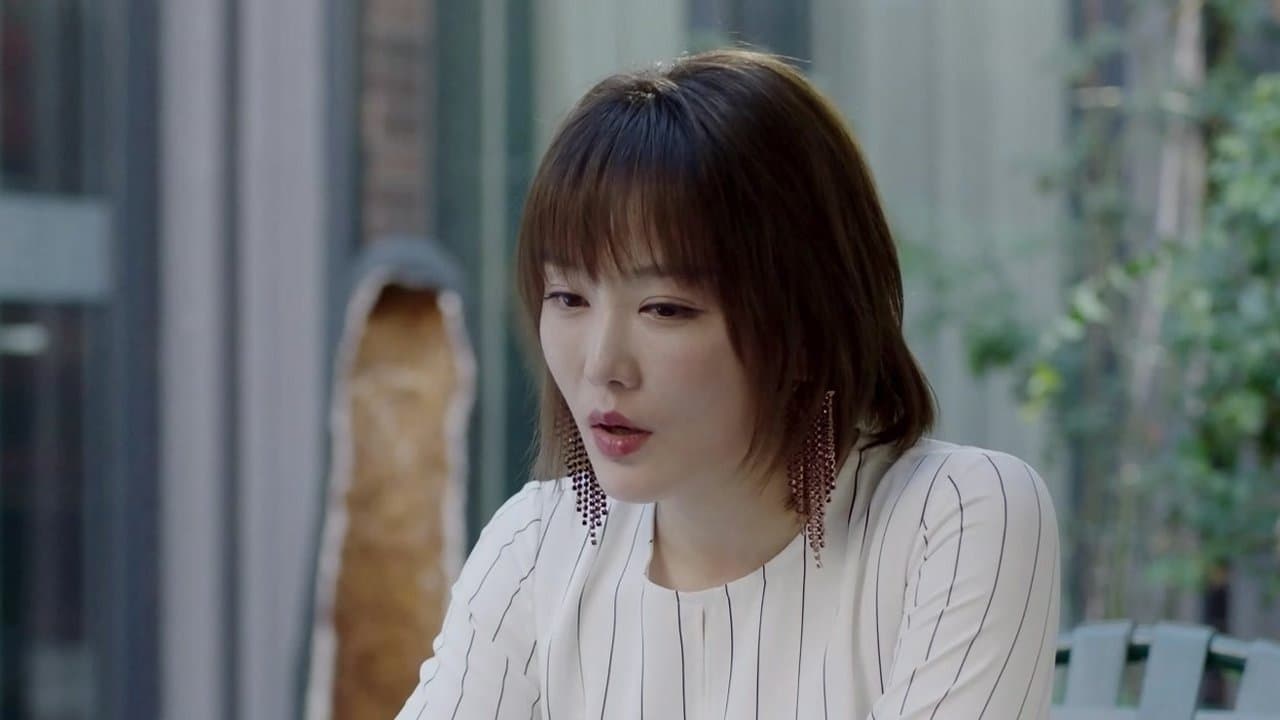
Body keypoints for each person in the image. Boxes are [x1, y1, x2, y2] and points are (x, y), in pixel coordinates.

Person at [396, 48, 1059, 720]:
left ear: (806, 323)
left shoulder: (955, 517)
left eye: (665, 309)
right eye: (568, 297)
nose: (601, 364)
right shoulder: (537, 545)